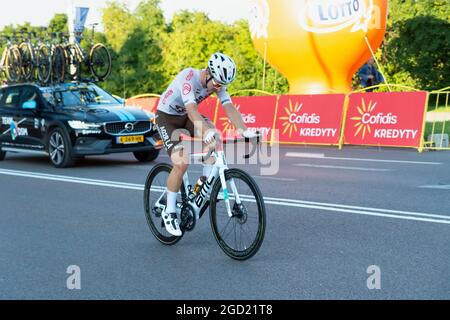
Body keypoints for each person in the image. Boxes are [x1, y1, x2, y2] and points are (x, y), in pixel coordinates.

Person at [155, 52, 258, 236]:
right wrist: (206, 132)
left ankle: (202, 182)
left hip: (185, 117)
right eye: (217, 83)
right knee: (181, 162)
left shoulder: (217, 82)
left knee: (215, 136)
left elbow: (229, 108)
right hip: (167, 118)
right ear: (208, 73)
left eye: (222, 85)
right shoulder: (189, 78)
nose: (219, 88)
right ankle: (169, 211)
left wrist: (244, 130)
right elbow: (193, 111)